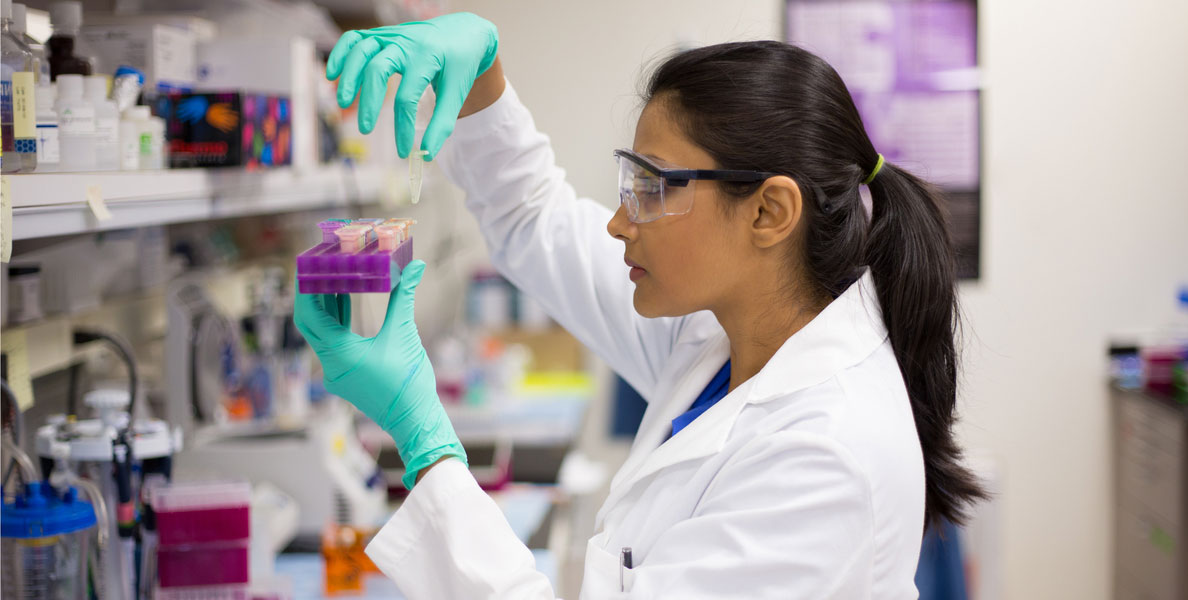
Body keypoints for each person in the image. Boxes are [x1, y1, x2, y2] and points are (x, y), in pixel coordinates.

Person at [293, 12, 986, 599]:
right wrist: (482, 77)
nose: (621, 222)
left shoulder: (826, 454)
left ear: (770, 211)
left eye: (651, 188)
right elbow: (534, 218)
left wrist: (425, 442)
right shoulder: (726, 341)